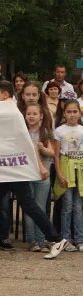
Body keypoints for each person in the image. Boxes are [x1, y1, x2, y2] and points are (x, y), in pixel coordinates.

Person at [0, 80, 68, 259]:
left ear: (5, 94)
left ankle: (56, 239)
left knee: (28, 205)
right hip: (6, 168)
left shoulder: (12, 113)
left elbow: (26, 142)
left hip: (14, 168)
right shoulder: (4, 110)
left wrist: (39, 166)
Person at [24, 103, 55, 252]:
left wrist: (43, 149)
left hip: (43, 176)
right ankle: (32, 241)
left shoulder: (45, 132)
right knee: (29, 208)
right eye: (29, 114)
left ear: (41, 116)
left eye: (34, 114)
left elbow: (52, 153)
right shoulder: (22, 132)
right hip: (26, 175)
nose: (31, 116)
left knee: (40, 208)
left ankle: (41, 240)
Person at [54, 100, 83, 251]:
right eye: (69, 112)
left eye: (75, 111)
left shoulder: (82, 130)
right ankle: (66, 238)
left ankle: (79, 239)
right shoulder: (59, 131)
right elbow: (56, 154)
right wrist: (59, 173)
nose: (72, 114)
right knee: (67, 206)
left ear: (79, 113)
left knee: (78, 207)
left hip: (80, 171)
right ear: (64, 114)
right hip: (66, 170)